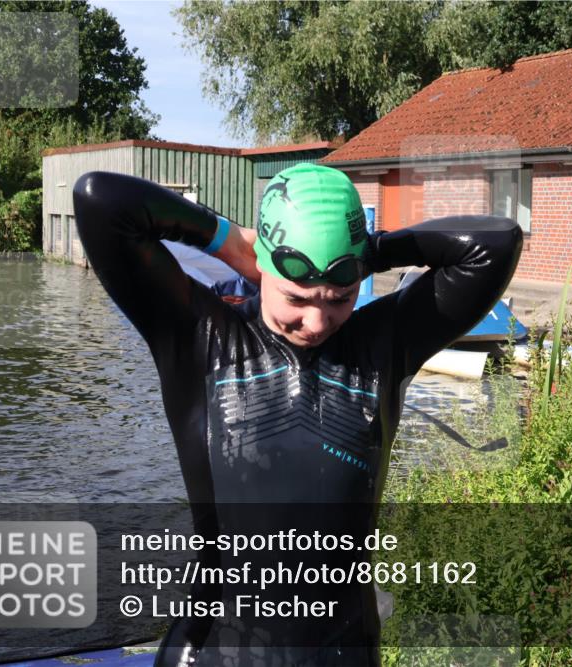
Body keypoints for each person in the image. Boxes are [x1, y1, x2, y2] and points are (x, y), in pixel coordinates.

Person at [74, 164, 522, 666]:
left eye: (339, 299)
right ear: (262, 265)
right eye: (296, 298)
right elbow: (100, 200)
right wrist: (225, 239)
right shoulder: (201, 339)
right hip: (213, 651)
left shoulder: (382, 345)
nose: (316, 321)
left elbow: (495, 244)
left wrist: (372, 250)